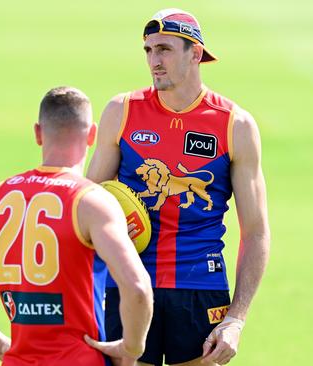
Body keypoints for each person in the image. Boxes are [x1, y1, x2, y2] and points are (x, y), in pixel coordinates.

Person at [86, 8, 271, 366]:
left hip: (200, 288)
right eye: (149, 50)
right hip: (128, 284)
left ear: (196, 53)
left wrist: (236, 318)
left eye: (165, 50)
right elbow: (87, 204)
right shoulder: (121, 111)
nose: (154, 61)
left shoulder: (235, 125)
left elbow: (256, 233)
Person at [0, 86, 153, 366]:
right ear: (92, 134)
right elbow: (137, 288)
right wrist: (131, 348)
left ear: (37, 133)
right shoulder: (92, 202)